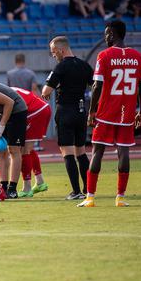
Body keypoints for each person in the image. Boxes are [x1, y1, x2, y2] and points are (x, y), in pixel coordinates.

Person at [79, 20, 141, 208]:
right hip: (127, 113)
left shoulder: (104, 56)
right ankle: (120, 197)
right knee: (123, 152)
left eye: (106, 33)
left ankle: (90, 197)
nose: (105, 36)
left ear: (112, 34)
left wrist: (92, 111)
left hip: (106, 113)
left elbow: (97, 85)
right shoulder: (138, 57)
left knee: (97, 152)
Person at [41, 36, 93, 199]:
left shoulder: (60, 67)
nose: (53, 55)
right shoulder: (85, 66)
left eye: (54, 52)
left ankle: (76, 191)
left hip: (65, 111)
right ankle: (88, 190)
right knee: (81, 152)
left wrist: (51, 88)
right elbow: (96, 87)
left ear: (61, 50)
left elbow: (46, 92)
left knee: (67, 152)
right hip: (81, 111)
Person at [12, 87, 51, 197]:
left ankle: (27, 188)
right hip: (42, 108)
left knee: (24, 150)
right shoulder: (4, 90)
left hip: (36, 111)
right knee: (28, 148)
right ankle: (40, 182)